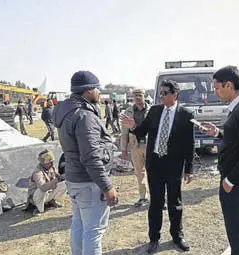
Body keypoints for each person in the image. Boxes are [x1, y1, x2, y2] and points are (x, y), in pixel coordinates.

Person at [121, 80, 194, 254]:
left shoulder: (185, 114)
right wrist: (133, 127)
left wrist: (189, 169)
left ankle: (177, 236)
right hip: (155, 164)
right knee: (156, 202)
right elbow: (141, 132)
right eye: (160, 93)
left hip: (174, 165)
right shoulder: (154, 111)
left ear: (175, 94)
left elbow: (189, 144)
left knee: (174, 203)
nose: (161, 96)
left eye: (164, 93)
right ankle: (154, 238)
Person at [200, 66, 239, 255]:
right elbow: (238, 141)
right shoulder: (238, 108)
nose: (214, 92)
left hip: (238, 182)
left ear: (229, 85)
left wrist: (230, 181)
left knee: (238, 235)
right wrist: (217, 133)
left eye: (217, 87)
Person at [53, 70, 118, 255]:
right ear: (88, 90)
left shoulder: (67, 111)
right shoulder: (84, 116)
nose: (98, 92)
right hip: (90, 182)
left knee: (80, 224)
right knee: (94, 231)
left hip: (75, 179)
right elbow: (90, 157)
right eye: (97, 88)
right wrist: (107, 186)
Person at [120, 88, 151, 207]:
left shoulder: (152, 110)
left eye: (140, 95)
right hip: (135, 146)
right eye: (135, 96)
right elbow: (124, 133)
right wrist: (123, 150)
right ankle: (143, 197)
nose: (137, 98)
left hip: (150, 146)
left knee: (154, 173)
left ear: (144, 96)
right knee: (139, 173)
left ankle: (158, 198)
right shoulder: (127, 112)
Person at [25, 150, 66, 216]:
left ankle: (52, 201)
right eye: (48, 163)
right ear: (42, 163)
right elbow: (42, 187)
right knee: (41, 190)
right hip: (36, 197)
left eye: (51, 162)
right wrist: (56, 181)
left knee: (65, 183)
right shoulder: (37, 172)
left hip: (48, 193)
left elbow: (59, 177)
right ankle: (37, 208)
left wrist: (62, 177)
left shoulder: (52, 168)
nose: (51, 164)